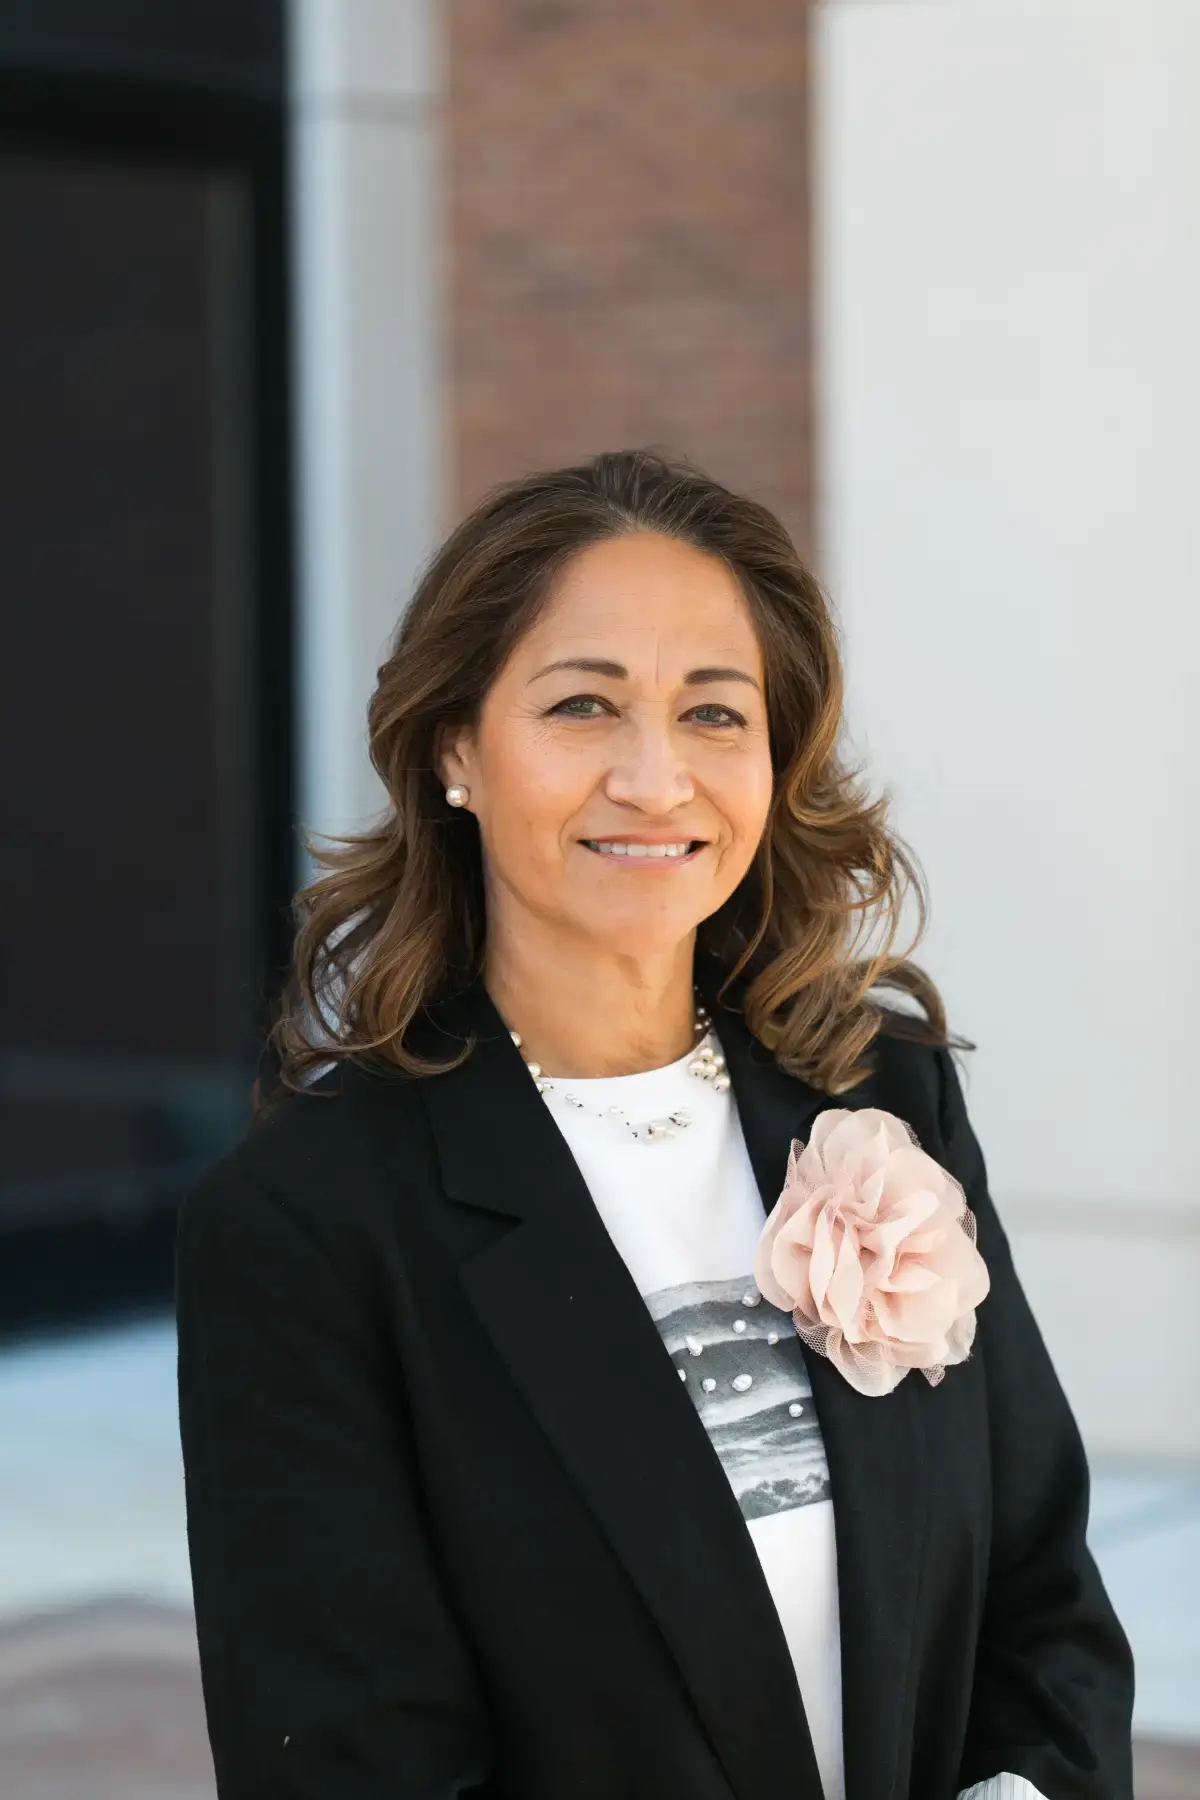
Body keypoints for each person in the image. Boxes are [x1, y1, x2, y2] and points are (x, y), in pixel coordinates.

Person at [176, 449, 1133, 1800]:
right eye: (583, 706)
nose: (654, 777)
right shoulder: (306, 1228)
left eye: (713, 714)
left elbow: (1043, 1604)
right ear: (455, 747)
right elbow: (352, 1765)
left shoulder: (885, 1101)